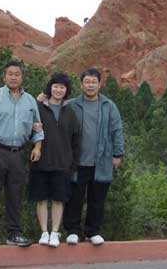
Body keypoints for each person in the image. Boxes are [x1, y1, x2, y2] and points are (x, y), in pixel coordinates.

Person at [0, 60, 44, 248]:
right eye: (10, 74)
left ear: (22, 77)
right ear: (4, 76)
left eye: (17, 74)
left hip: (18, 154)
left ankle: (14, 234)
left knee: (15, 195)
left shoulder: (30, 101)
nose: (14, 77)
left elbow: (37, 127)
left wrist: (37, 147)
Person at [63, 67, 124, 246]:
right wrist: (42, 99)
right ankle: (73, 231)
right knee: (74, 198)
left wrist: (118, 153)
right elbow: (54, 110)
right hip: (77, 161)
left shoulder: (109, 106)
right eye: (87, 82)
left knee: (97, 199)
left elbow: (117, 130)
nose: (90, 85)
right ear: (81, 85)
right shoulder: (72, 105)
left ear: (100, 84)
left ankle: (92, 231)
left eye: (94, 82)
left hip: (102, 160)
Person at [29, 73, 81, 248]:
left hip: (62, 164)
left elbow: (76, 140)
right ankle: (44, 232)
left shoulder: (70, 112)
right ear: (50, 87)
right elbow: (28, 128)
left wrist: (72, 163)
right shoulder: (39, 108)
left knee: (59, 199)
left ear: (66, 90)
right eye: (56, 86)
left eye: (62, 87)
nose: (58, 90)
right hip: (40, 161)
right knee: (41, 199)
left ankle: (55, 233)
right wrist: (37, 103)